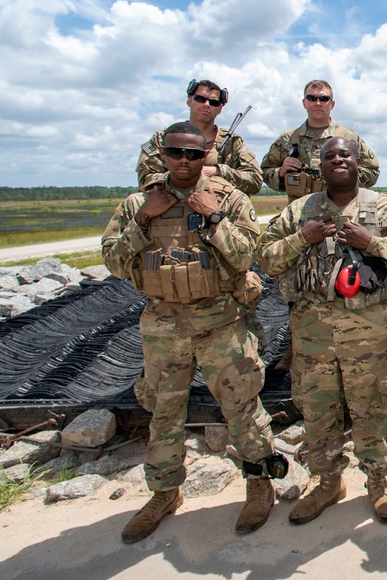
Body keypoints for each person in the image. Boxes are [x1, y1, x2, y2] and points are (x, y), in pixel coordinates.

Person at [103, 121, 281, 543]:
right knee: (164, 414)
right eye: (176, 153)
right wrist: (146, 217)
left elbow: (244, 259)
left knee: (242, 408)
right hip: (164, 326)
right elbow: (113, 262)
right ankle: (164, 492)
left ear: (207, 157)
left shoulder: (229, 199)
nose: (185, 161)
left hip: (220, 321)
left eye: (195, 154)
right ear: (162, 154)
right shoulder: (137, 204)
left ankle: (259, 485)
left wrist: (212, 215)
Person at [257, 137, 387, 525]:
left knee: (372, 408)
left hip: (371, 335)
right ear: (320, 164)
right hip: (312, 337)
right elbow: (266, 258)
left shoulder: (382, 208)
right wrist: (304, 239)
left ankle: (380, 482)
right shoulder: (301, 211)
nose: (337, 161)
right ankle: (328, 482)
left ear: (358, 163)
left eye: (344, 155)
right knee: (318, 413)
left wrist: (374, 243)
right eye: (329, 156)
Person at [137, 79, 263, 195]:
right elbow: (145, 180)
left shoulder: (233, 142)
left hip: (220, 212)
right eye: (200, 99)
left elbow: (255, 181)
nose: (207, 104)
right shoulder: (163, 138)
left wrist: (218, 171)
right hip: (170, 209)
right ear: (189, 100)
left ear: (220, 109)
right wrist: (186, 175)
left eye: (214, 102)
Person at [261, 80, 380, 201]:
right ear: (304, 103)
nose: (317, 103)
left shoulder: (349, 138)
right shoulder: (287, 139)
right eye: (312, 98)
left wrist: (347, 176)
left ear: (332, 104)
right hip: (299, 215)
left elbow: (372, 172)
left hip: (340, 213)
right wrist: (281, 172)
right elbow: (263, 173)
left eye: (324, 99)